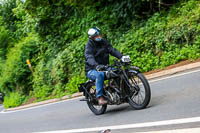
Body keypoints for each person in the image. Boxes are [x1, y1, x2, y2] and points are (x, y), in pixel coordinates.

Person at [84, 27, 124, 105]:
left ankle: (119, 91)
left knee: (117, 71)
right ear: (91, 37)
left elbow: (112, 50)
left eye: (99, 34)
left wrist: (121, 57)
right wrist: (96, 65)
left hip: (104, 67)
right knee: (100, 75)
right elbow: (89, 57)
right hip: (92, 69)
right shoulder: (89, 45)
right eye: (96, 35)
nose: (99, 36)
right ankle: (100, 97)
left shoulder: (104, 42)